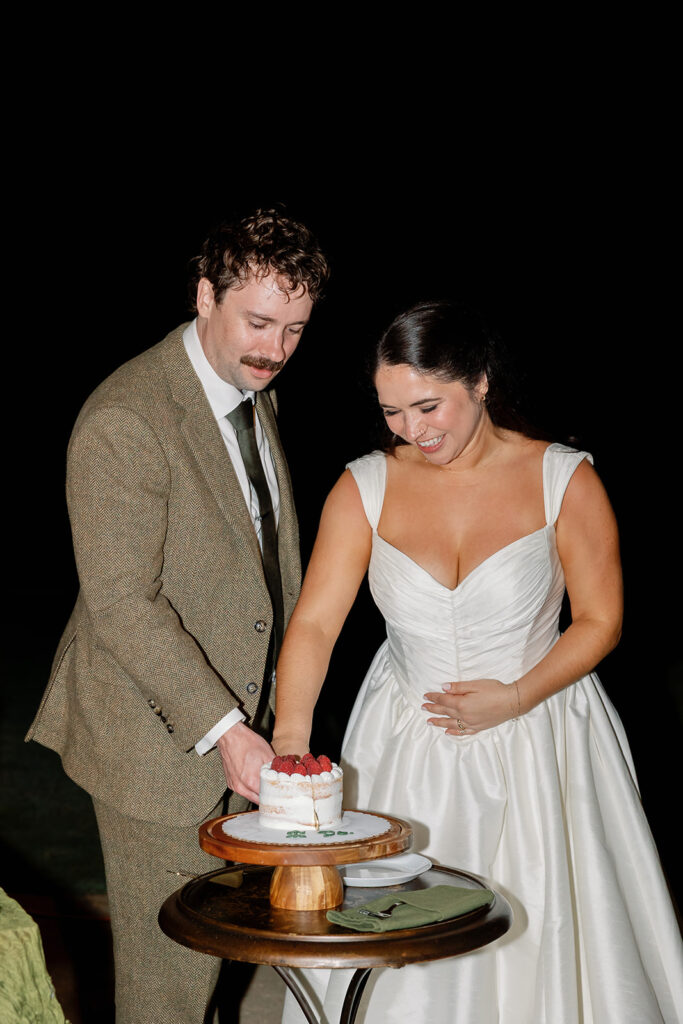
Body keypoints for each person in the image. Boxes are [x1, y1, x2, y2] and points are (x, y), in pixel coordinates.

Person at [270, 301, 683, 1023]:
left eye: (427, 405)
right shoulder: (362, 485)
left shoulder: (564, 478)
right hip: (400, 748)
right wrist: (290, 750)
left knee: (543, 939)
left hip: (540, 740)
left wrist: (517, 696)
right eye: (391, 410)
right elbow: (312, 625)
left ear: (481, 382)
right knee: (395, 952)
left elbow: (601, 620)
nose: (410, 429)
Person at [26, 208, 330, 1023]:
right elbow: (122, 603)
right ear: (204, 295)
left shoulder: (251, 389)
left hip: (244, 730)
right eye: (259, 322)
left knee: (219, 958)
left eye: (295, 329)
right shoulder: (125, 419)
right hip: (158, 750)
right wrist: (227, 728)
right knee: (167, 990)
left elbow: (264, 565)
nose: (275, 348)